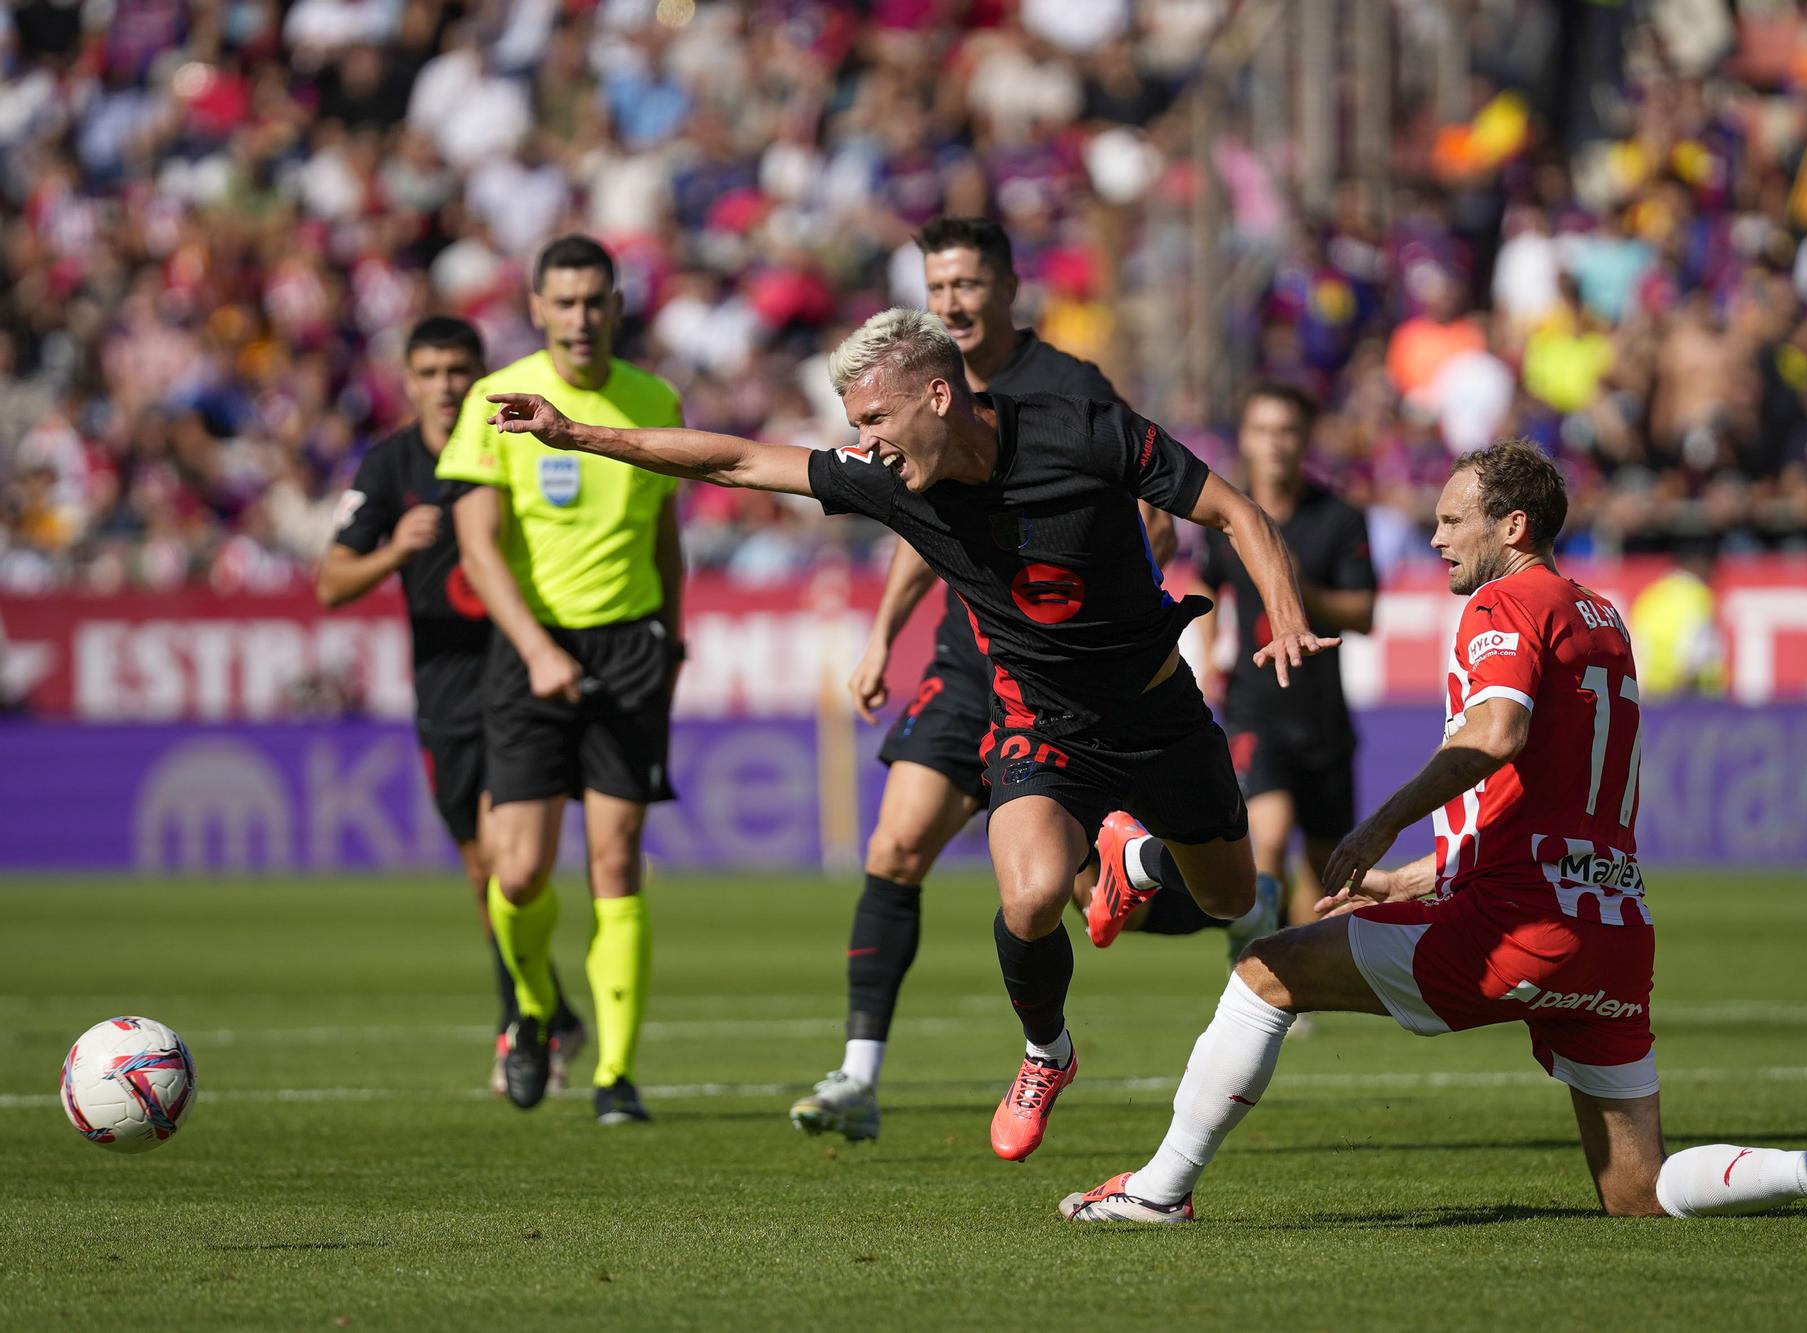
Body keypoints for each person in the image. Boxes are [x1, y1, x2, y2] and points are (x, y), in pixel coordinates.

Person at [482, 307, 1335, 1163]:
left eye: (876, 420)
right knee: (1033, 894)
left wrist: (1286, 613)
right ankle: (1047, 1055)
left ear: (937, 395)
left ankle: (1136, 861)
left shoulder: (1083, 431)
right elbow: (735, 459)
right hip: (1042, 723)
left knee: (1232, 901)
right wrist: (576, 434)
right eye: (858, 427)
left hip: (1159, 714)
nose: (868, 442)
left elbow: (1233, 511)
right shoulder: (886, 479)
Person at [1059, 441, 1807, 1224]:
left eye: (1454, 521)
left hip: (1520, 925)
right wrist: (1408, 878)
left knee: (1265, 971)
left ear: (1514, 526)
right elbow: (1541, 802)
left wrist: (1377, 824)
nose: (1438, 537)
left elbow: (1496, 737)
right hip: (1612, 933)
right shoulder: (1602, 616)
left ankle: (1159, 1190)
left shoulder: (1504, 606)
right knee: (1636, 1191)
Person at [791, 215, 1220, 1145]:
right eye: (938, 286)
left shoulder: (1067, 392)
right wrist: (881, 636)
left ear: (1007, 287)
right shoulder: (908, 402)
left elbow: (1156, 514)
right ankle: (860, 1073)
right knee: (899, 843)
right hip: (966, 657)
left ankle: (1168, 869)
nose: (953, 300)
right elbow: (919, 521)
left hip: (1067, 669)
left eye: (968, 284)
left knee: (1063, 891)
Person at [436, 235, 685, 1126]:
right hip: (529, 650)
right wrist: (538, 650)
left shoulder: (654, 397)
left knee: (616, 862)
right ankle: (533, 1013)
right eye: (565, 302)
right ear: (537, 309)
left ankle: (618, 1075)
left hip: (629, 650)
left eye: (596, 300)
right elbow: (476, 547)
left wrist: (675, 636)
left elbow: (665, 535)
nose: (581, 317)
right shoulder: (494, 400)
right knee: (519, 870)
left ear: (616, 306)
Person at [315, 315, 584, 1096]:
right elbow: (331, 583)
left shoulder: (520, 437)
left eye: (459, 370)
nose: (445, 386)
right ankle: (550, 1008)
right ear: (407, 380)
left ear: (482, 375)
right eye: (429, 372)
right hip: (443, 694)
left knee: (512, 862)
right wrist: (396, 549)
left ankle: (522, 1033)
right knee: (482, 877)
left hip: (516, 678)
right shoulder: (388, 463)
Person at [1193, 383, 1375, 926]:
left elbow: (1364, 613)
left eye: (1287, 431)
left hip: (1322, 715)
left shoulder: (1339, 518)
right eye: (1262, 430)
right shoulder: (1228, 517)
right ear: (1245, 439)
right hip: (1254, 707)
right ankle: (1259, 962)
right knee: (1268, 836)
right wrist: (1209, 663)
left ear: (1305, 440)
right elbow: (1206, 591)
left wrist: (1295, 584)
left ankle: (1291, 965)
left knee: (1325, 865)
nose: (1274, 443)